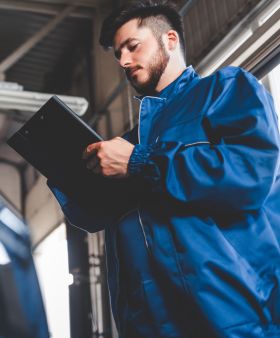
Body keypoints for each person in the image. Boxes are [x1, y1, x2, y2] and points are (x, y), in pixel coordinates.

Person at [48, 1, 280, 337]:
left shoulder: (225, 90)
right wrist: (66, 171)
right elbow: (95, 216)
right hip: (150, 324)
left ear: (169, 39)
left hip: (234, 317)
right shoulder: (128, 142)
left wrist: (140, 162)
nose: (124, 61)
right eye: (118, 54)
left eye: (132, 46)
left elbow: (249, 174)